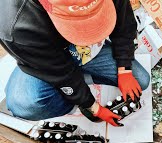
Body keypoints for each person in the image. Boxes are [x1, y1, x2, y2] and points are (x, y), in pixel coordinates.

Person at [0, 0, 150, 126]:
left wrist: (124, 68)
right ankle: (71, 95)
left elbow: (124, 23)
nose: (90, 35)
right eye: (81, 28)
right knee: (23, 105)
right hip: (47, 60)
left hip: (88, 52)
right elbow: (59, 72)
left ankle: (79, 80)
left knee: (141, 80)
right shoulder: (15, 26)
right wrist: (91, 105)